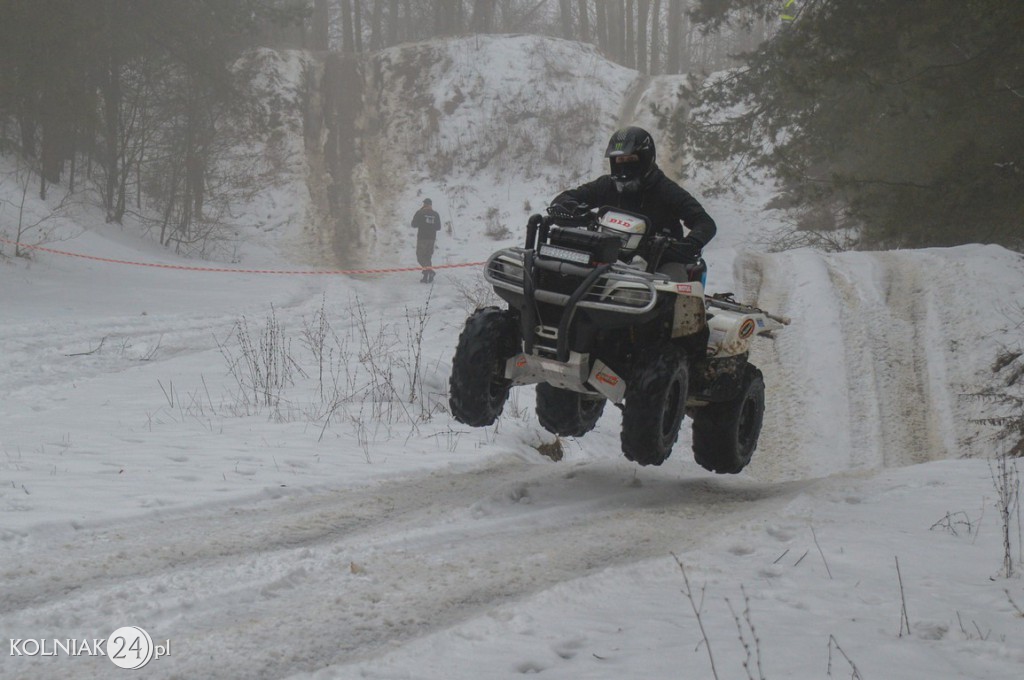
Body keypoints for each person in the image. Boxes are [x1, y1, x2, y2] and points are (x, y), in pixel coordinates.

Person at [552, 126, 716, 282]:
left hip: (658, 260)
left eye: (631, 159)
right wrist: (579, 212)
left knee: (673, 284)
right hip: (609, 254)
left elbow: (705, 222)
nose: (624, 165)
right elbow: (563, 198)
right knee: (565, 272)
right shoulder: (606, 185)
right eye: (619, 160)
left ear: (646, 159)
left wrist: (687, 245)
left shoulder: (666, 190)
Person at [411, 197, 441, 283]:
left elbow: (413, 224)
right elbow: (438, 227)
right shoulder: (436, 214)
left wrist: (422, 222)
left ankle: (430, 272)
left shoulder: (420, 213)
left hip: (422, 238)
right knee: (428, 257)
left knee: (420, 257)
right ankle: (426, 276)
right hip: (431, 239)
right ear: (431, 205)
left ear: (424, 204)